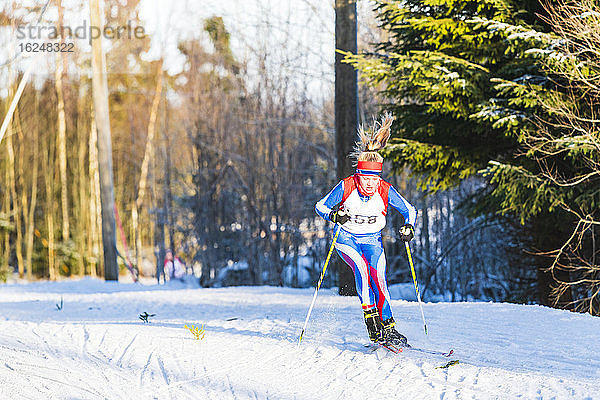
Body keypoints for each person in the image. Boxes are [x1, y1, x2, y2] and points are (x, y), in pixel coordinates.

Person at [315, 113, 417, 346]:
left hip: (372, 240)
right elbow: (320, 205)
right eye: (365, 177)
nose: (370, 183)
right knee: (361, 269)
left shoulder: (384, 189)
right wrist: (333, 215)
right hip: (346, 239)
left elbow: (410, 210)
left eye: (374, 177)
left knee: (378, 276)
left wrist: (409, 226)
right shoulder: (347, 186)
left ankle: (389, 327)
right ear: (358, 174)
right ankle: (371, 321)